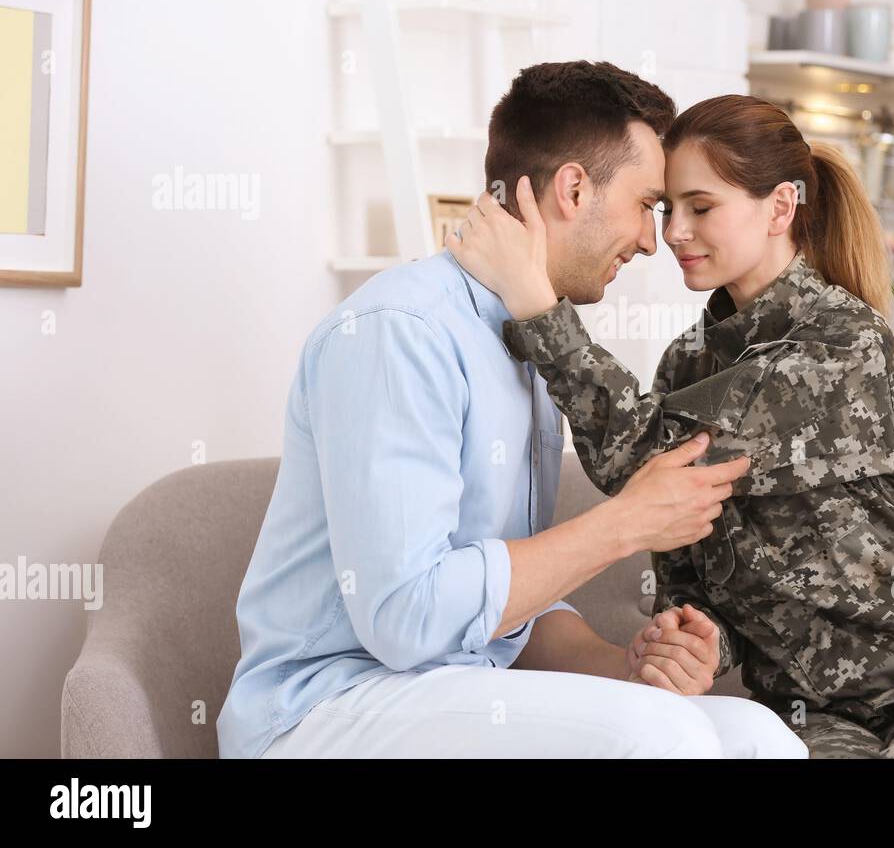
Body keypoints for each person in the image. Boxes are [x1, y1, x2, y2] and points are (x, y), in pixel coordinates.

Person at [215, 62, 808, 759]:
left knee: (756, 737)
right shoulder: (400, 330)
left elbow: (500, 618)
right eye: (648, 205)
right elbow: (408, 617)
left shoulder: (520, 342)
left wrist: (627, 666)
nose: (655, 240)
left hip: (453, 695)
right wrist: (623, 524)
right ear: (574, 188)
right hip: (323, 710)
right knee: (659, 735)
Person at [447, 93, 894, 758]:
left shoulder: (843, 343)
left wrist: (537, 303)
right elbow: (686, 552)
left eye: (701, 207)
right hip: (811, 712)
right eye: (665, 208)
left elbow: (642, 459)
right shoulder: (684, 363)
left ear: (781, 207)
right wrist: (698, 637)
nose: (674, 231)